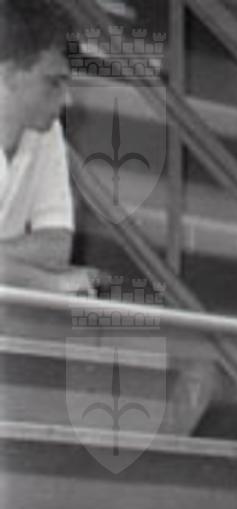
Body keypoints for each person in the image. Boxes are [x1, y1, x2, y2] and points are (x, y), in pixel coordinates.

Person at [0, 0, 91, 297]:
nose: (67, 100)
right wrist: (47, 282)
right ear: (9, 73)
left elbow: (57, 247)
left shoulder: (48, 130)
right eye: (53, 83)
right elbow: (51, 266)